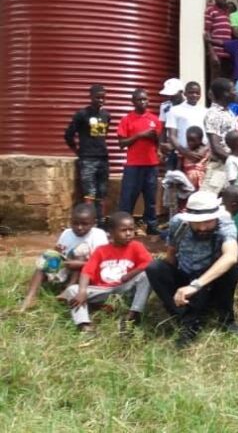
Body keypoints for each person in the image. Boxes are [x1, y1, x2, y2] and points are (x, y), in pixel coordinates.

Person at [146, 191, 238, 347]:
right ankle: (186, 318)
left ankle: (226, 318)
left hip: (209, 281)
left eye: (208, 222)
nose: (202, 227)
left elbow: (231, 256)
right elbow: (171, 253)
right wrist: (167, 283)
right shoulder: (179, 223)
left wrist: (196, 285)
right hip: (185, 276)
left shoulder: (225, 223)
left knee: (232, 268)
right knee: (155, 268)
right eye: (197, 222)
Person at [60, 211, 152, 333]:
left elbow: (149, 263)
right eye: (123, 230)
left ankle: (133, 314)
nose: (128, 233)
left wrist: (130, 274)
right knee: (73, 290)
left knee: (146, 275)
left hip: (125, 289)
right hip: (103, 290)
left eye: (131, 229)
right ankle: (84, 324)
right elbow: (87, 271)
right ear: (112, 232)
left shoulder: (136, 246)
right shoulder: (101, 250)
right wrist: (82, 291)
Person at [20, 203, 107, 312]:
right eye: (75, 223)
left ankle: (67, 291)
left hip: (87, 273)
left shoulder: (98, 235)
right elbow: (59, 252)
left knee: (81, 252)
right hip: (67, 266)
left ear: (94, 223)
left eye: (84, 224)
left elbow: (101, 263)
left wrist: (79, 264)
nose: (79, 227)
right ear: (70, 221)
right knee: (44, 263)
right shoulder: (67, 233)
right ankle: (30, 297)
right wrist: (54, 256)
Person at [116, 88, 162, 235]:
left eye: (145, 99)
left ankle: (151, 225)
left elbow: (159, 142)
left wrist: (155, 139)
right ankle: (123, 226)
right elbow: (121, 143)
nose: (143, 102)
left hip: (151, 165)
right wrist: (140, 135)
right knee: (127, 198)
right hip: (133, 166)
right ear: (133, 101)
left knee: (151, 199)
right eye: (139, 99)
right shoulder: (126, 120)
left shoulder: (154, 120)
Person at [65, 84, 111, 220]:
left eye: (103, 98)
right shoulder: (82, 115)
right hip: (87, 159)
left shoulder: (106, 115)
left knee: (102, 193)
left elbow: (103, 136)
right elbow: (68, 135)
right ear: (91, 97)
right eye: (98, 97)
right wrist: (77, 151)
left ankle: (101, 222)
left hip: (103, 159)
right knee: (89, 193)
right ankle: (89, 222)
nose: (101, 100)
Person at [201, 78, 238, 194]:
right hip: (219, 167)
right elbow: (216, 147)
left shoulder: (229, 112)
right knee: (208, 200)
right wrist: (237, 163)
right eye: (233, 90)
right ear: (225, 93)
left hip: (231, 165)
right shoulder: (213, 114)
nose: (236, 92)